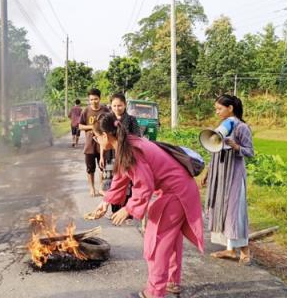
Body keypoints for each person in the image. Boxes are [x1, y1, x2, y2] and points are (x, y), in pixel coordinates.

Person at [90, 113, 204, 298]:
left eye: (95, 137)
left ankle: (154, 291)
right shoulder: (128, 143)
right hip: (182, 190)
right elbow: (120, 177)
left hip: (174, 194)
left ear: (105, 136)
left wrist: (128, 209)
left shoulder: (132, 150)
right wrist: (106, 202)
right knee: (171, 239)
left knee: (157, 242)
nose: (95, 140)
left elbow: (144, 185)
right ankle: (171, 281)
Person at [202, 94, 254, 265]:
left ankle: (245, 251)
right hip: (220, 174)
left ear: (230, 108)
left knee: (235, 212)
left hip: (234, 175)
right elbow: (214, 150)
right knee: (222, 210)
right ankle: (230, 250)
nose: (216, 112)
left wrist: (236, 146)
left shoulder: (242, 128)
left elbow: (250, 152)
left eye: (219, 108)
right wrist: (208, 172)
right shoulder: (222, 126)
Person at [99, 92, 140, 220]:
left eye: (120, 105)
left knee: (127, 184)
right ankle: (114, 210)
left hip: (127, 157)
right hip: (111, 156)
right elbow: (103, 139)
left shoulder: (131, 120)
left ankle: (128, 211)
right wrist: (101, 156)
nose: (117, 108)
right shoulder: (107, 119)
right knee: (112, 183)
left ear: (125, 105)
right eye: (114, 106)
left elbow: (137, 139)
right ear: (110, 106)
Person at [78, 88, 110, 197]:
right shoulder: (85, 111)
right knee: (90, 168)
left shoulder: (106, 110)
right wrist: (92, 127)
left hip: (102, 144)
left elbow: (110, 124)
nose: (93, 101)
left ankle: (101, 187)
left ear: (99, 98)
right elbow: (80, 126)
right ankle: (92, 187)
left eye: (95, 99)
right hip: (89, 145)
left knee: (103, 167)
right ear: (89, 100)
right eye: (91, 99)